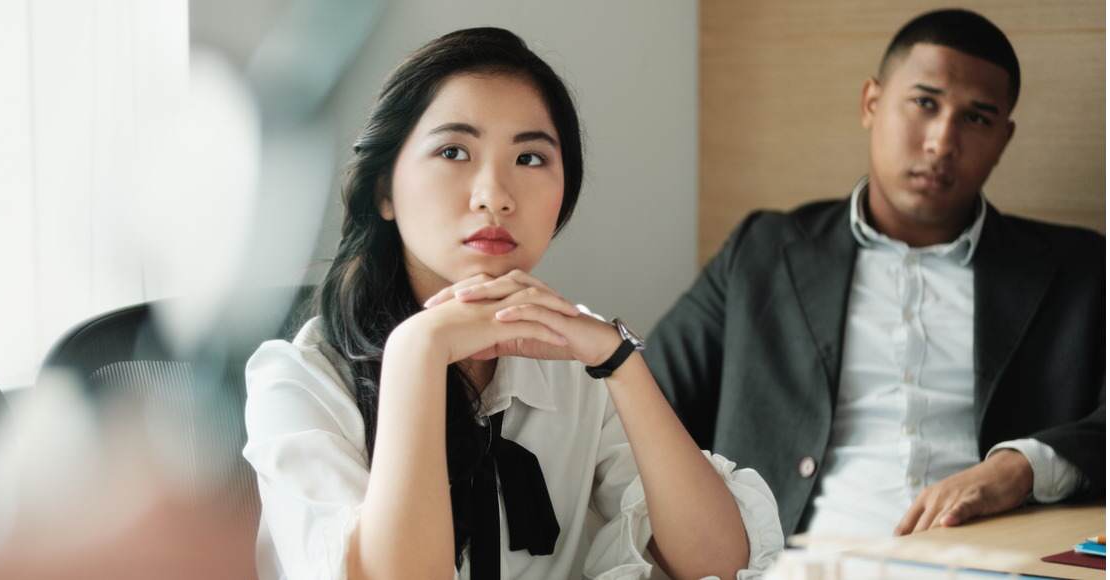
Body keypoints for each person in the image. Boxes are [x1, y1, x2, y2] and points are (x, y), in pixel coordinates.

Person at [243, 27, 783, 580]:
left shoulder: (573, 364)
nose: (495, 195)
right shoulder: (298, 383)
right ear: (385, 189)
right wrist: (418, 352)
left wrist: (618, 359)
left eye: (529, 158)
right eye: (454, 151)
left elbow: (721, 563)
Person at [644, 8, 1104, 540]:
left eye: (977, 118)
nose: (942, 142)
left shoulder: (1078, 271)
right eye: (925, 103)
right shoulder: (764, 251)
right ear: (872, 102)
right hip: (796, 562)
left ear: (1004, 138)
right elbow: (648, 403)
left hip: (991, 562)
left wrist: (1022, 467)